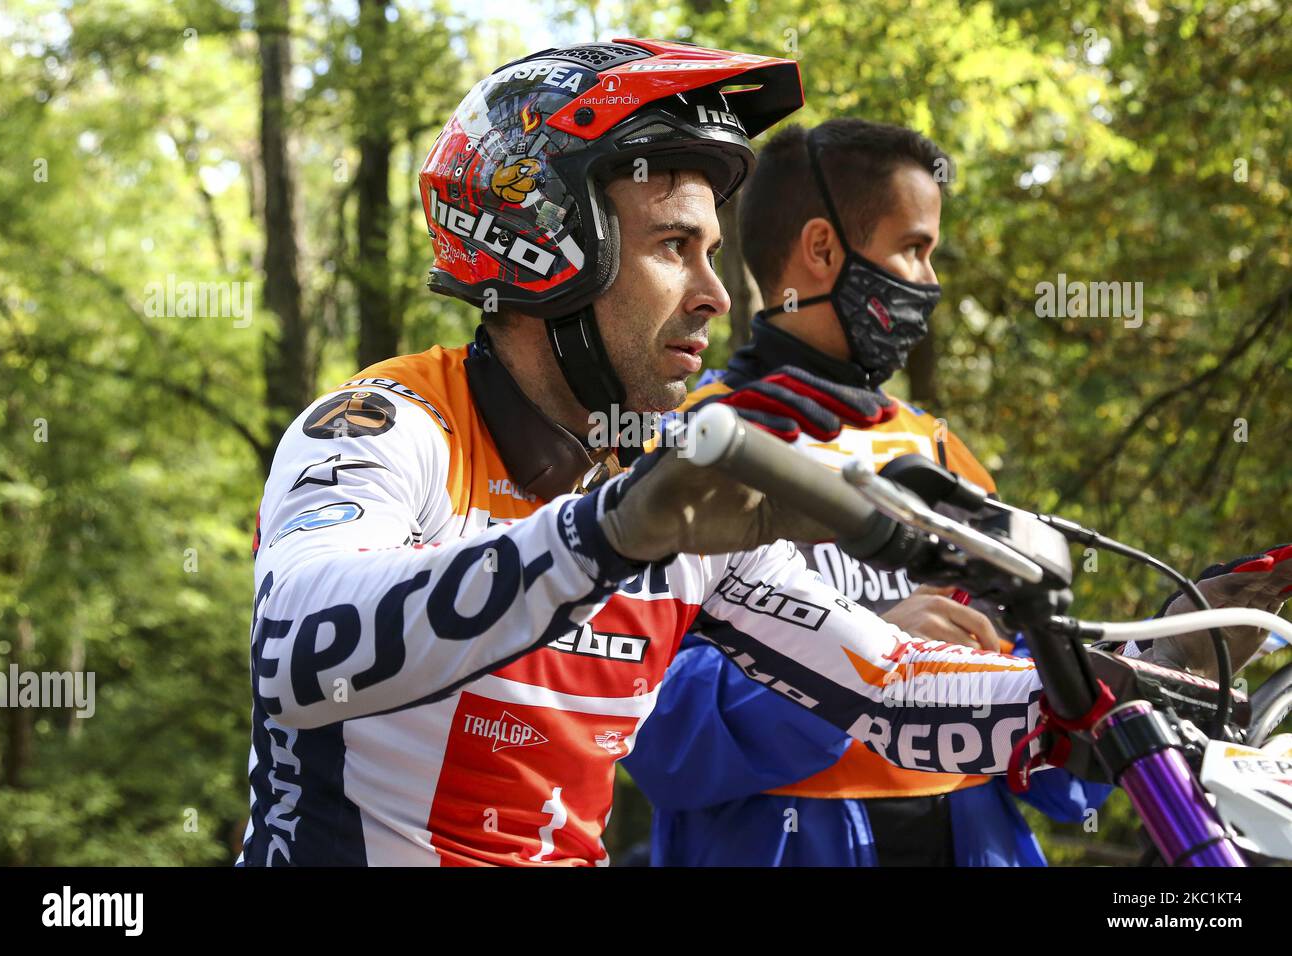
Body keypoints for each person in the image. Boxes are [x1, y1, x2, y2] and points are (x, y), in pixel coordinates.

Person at [234, 40, 1205, 867]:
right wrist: (605, 534)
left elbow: (893, 688)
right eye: (672, 247)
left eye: (712, 251)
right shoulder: (385, 422)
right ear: (549, 247)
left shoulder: (666, 482)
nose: (716, 294)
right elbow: (298, 650)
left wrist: (1124, 691)